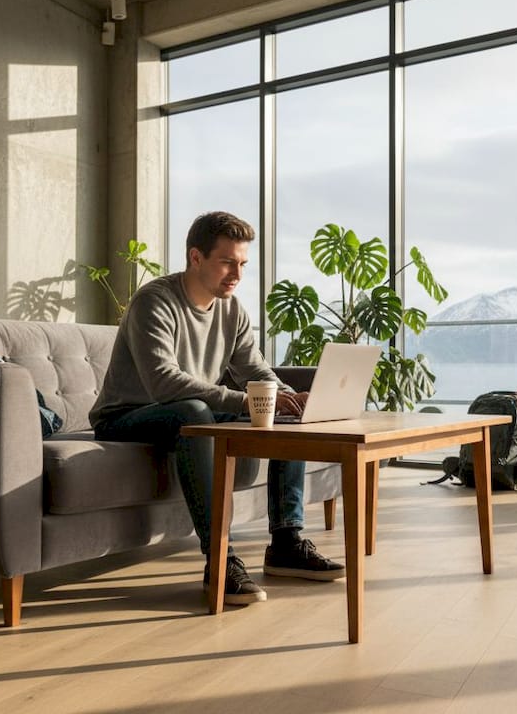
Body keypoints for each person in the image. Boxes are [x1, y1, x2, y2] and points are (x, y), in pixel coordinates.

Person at [91, 211, 345, 605]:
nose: (237, 274)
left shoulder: (231, 309)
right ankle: (221, 561)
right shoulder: (154, 303)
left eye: (242, 263)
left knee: (279, 412)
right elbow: (164, 382)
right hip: (127, 416)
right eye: (227, 262)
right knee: (194, 412)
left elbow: (255, 369)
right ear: (196, 257)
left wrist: (288, 396)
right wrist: (248, 400)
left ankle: (286, 541)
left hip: (190, 411)